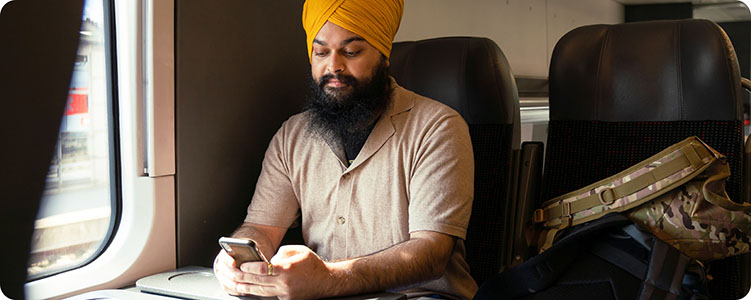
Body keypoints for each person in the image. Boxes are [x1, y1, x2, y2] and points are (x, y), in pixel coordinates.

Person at [213, 0, 477, 299]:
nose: (334, 66)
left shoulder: (438, 127)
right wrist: (238, 257)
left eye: (351, 52)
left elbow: (431, 253)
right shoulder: (292, 135)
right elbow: (261, 227)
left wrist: (328, 278)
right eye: (321, 52)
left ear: (383, 55)